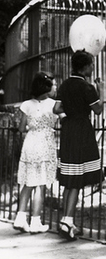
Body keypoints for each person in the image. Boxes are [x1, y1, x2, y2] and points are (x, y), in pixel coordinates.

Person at [53, 50, 104, 240]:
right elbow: (98, 110)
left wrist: (68, 116)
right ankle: (68, 220)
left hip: (68, 131)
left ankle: (67, 221)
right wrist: (102, 90)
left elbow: (57, 108)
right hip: (82, 132)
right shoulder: (87, 87)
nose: (92, 67)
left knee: (69, 178)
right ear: (84, 66)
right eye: (91, 64)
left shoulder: (65, 85)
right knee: (76, 180)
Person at [13, 72, 61, 234]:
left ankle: (20, 217)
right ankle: (35, 221)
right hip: (45, 143)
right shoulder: (54, 104)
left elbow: (21, 128)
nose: (55, 88)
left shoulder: (26, 104)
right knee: (40, 185)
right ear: (47, 88)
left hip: (30, 142)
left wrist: (32, 127)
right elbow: (63, 118)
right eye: (54, 85)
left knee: (27, 182)